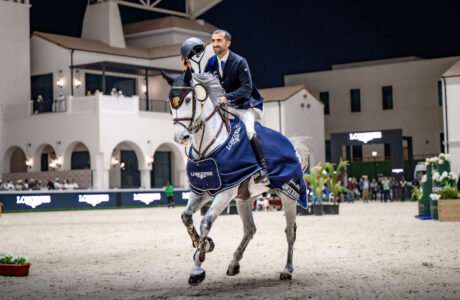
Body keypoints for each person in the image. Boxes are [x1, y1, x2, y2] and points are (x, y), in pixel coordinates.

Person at [182, 31, 268, 184]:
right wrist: (188, 70)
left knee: (249, 132)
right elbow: (204, 81)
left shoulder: (240, 61)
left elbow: (247, 88)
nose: (215, 44)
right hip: (223, 107)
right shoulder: (211, 62)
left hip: (242, 106)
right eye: (213, 41)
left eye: (219, 40)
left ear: (228, 43)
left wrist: (227, 97)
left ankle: (263, 168)